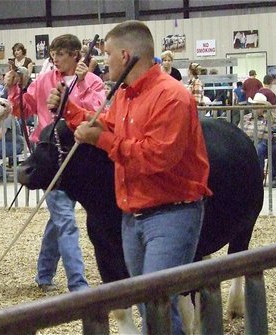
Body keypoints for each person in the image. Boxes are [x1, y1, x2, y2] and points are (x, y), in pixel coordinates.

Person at [47, 20, 212, 334]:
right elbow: (107, 124)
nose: (102, 61)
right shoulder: (124, 96)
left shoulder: (172, 96)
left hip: (171, 214)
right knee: (148, 304)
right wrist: (70, 110)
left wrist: (101, 141)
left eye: (106, 53)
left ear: (125, 55)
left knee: (156, 304)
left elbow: (157, 156)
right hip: (133, 214)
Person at [5, 33, 105, 293]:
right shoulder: (44, 80)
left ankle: (44, 273)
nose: (55, 59)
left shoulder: (93, 82)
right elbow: (23, 108)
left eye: (61, 54)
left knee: (58, 220)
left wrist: (81, 85)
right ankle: (78, 285)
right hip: (50, 154)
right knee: (65, 219)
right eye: (53, 54)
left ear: (75, 55)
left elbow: (95, 113)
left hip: (80, 157)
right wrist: (14, 87)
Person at [243, 92, 276, 188]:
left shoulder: (273, 117)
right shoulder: (246, 118)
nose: (254, 107)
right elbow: (239, 130)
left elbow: (275, 131)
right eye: (254, 105)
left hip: (264, 142)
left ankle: (259, 177)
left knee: (260, 148)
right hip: (246, 142)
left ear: (263, 106)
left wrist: (268, 117)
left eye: (257, 105)